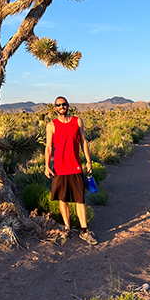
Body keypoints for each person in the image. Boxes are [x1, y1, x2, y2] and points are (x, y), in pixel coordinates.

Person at [44, 96, 98, 245]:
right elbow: (48, 147)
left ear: (68, 106)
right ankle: (67, 228)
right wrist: (47, 165)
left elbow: (83, 141)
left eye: (64, 104)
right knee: (63, 199)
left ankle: (84, 230)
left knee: (80, 199)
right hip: (59, 169)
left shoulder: (77, 121)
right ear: (55, 108)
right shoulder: (51, 125)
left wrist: (88, 160)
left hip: (75, 167)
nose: (62, 107)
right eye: (58, 105)